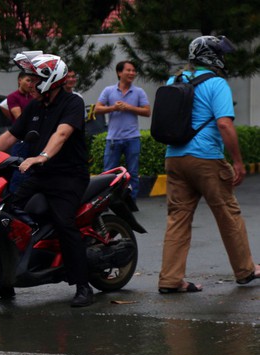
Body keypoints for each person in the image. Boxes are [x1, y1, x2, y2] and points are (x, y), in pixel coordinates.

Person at [0, 53, 93, 307]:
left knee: (63, 222)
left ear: (50, 80)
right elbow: (10, 136)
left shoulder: (72, 103)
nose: (31, 84)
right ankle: (6, 280)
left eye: (35, 80)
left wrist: (42, 156)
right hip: (40, 175)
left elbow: (62, 133)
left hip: (68, 177)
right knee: (5, 214)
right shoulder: (35, 106)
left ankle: (83, 285)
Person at [158, 35, 260, 293]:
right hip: (206, 159)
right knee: (228, 214)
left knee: (178, 219)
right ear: (212, 56)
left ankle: (170, 279)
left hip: (174, 158)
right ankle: (246, 270)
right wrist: (238, 161)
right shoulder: (217, 84)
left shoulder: (173, 80)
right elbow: (224, 124)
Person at [94, 60, 151, 201]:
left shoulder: (139, 92)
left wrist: (128, 107)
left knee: (132, 172)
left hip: (132, 139)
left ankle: (131, 201)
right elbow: (97, 109)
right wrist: (113, 108)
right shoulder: (108, 91)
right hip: (113, 139)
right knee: (108, 173)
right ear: (120, 73)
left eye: (133, 70)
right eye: (129, 70)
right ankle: (105, 202)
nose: (132, 73)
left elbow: (147, 111)